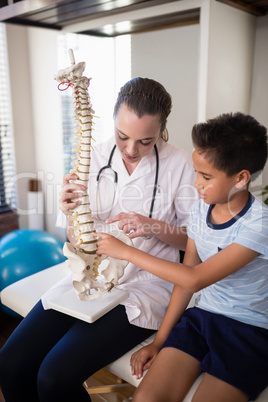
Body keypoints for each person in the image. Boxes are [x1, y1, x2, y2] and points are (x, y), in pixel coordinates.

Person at [0, 77, 196, 402]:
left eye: (145, 141)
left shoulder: (180, 165)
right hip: (90, 278)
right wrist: (69, 214)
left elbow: (193, 245)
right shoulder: (95, 156)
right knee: (10, 363)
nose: (132, 150)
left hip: (146, 286)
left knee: (54, 377)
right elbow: (79, 242)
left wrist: (151, 227)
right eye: (123, 137)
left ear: (162, 128)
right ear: (114, 121)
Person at [95, 112, 268, 402]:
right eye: (196, 172)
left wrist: (126, 252)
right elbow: (186, 280)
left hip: (249, 332)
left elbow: (196, 278)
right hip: (202, 319)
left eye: (206, 176)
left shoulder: (259, 226)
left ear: (240, 178)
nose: (196, 183)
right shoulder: (202, 209)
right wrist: (159, 343)